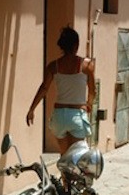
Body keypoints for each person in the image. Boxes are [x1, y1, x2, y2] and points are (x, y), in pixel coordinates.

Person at [26, 26, 96, 155]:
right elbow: (92, 90)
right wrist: (89, 104)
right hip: (77, 114)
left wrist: (32, 109)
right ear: (76, 45)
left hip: (59, 116)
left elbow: (44, 88)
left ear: (62, 46)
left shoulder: (53, 66)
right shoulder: (87, 65)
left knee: (64, 157)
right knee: (77, 157)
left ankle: (64, 176)